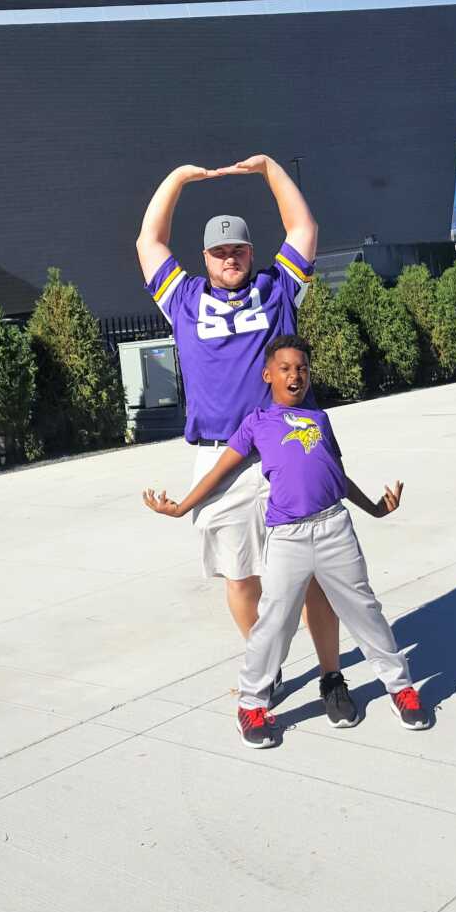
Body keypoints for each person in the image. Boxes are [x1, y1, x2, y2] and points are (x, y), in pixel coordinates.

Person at [136, 156, 350, 720]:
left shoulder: (276, 290)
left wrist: (267, 169)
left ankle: (331, 675)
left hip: (282, 456)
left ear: (250, 254)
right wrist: (179, 177)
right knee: (241, 576)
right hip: (219, 461)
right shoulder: (181, 300)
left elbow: (303, 228)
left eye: (238, 250)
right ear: (204, 258)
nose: (230, 258)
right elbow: (149, 241)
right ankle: (267, 664)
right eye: (219, 252)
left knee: (309, 577)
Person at [142, 333, 432, 747]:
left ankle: (400, 688)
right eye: (285, 368)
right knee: (274, 624)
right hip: (288, 538)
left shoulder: (321, 420)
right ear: (268, 375)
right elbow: (220, 471)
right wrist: (182, 506)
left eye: (302, 368)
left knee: (364, 610)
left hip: (335, 527)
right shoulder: (257, 424)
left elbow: (336, 476)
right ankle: (252, 705)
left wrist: (375, 508)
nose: (295, 374)